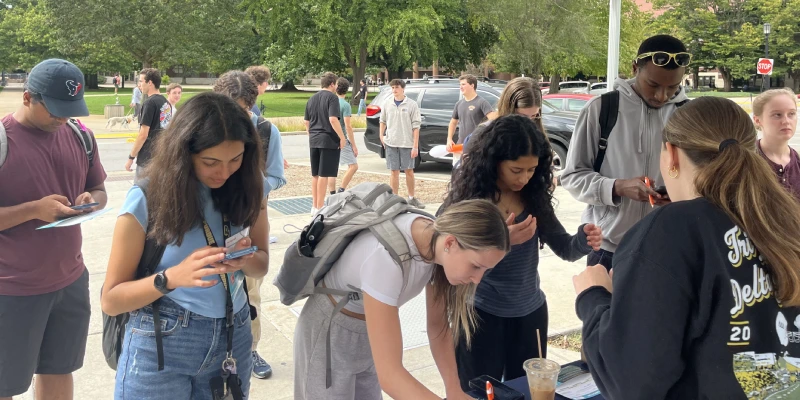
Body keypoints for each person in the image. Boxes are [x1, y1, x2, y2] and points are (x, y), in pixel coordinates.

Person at [573, 96, 800, 398]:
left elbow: (630, 380)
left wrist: (593, 296)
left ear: (671, 155)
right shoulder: (784, 218)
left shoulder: (671, 229)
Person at [102, 92, 268, 398]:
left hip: (234, 333)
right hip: (163, 338)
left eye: (236, 158)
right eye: (210, 162)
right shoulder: (147, 197)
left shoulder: (247, 184)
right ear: (184, 153)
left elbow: (263, 263)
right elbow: (111, 299)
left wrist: (245, 258)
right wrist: (171, 278)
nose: (224, 172)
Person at [441, 114, 601, 389]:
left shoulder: (533, 196)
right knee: (478, 392)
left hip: (530, 314)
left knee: (528, 391)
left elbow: (564, 248)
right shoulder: (471, 199)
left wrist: (584, 240)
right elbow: (445, 253)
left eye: (531, 170)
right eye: (516, 170)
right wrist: (502, 241)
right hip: (481, 314)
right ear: (494, 161)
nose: (524, 178)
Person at [294, 199, 510, 400]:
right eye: (476, 266)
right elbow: (390, 376)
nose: (476, 279)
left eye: (486, 270)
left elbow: (438, 327)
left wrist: (454, 390)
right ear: (451, 243)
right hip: (329, 334)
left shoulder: (437, 242)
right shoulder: (387, 259)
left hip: (369, 331)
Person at [0, 58, 108, 400]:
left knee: (60, 370)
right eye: (55, 109)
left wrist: (92, 200)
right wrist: (34, 210)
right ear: (29, 97)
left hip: (71, 279)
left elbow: (102, 192)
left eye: (71, 108)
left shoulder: (80, 135)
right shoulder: (4, 141)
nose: (63, 117)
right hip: (13, 289)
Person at [560, 34, 691, 271]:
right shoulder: (602, 109)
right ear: (634, 68)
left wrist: (679, 195)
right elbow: (572, 177)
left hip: (670, 249)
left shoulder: (689, 114)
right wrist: (616, 187)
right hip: (609, 249)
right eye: (653, 85)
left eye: (672, 88)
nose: (661, 96)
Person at [213, 69, 287, 379]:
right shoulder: (201, 129)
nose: (236, 115)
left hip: (247, 220)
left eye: (243, 108)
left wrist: (250, 185)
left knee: (249, 292)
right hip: (205, 221)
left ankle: (250, 350)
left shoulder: (266, 131)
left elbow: (276, 176)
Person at [304, 72, 347, 214]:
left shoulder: (311, 99)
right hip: (328, 139)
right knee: (324, 174)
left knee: (315, 174)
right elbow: (333, 119)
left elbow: (306, 121)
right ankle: (320, 206)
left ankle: (314, 205)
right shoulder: (332, 98)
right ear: (332, 84)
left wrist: (311, 134)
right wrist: (342, 137)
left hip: (314, 139)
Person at [380, 79, 425, 208]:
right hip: (391, 142)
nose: (394, 90)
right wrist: (381, 135)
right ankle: (394, 198)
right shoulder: (387, 104)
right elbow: (382, 120)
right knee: (394, 171)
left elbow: (416, 126)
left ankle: (411, 197)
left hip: (407, 143)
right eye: (392, 88)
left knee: (409, 171)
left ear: (403, 89)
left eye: (397, 87)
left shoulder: (411, 104)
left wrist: (415, 145)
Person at [125, 68, 173, 181]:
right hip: (161, 156)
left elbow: (143, 134)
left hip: (147, 158)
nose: (139, 84)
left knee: (141, 193)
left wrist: (131, 157)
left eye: (141, 81)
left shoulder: (149, 103)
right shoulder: (166, 103)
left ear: (150, 82)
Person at [752, 88, 799, 201]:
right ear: (758, 120)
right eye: (777, 115)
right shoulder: (746, 160)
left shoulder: (797, 160)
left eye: (791, 114)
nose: (786, 121)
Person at [446, 74, 497, 165]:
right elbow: (453, 123)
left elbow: (493, 121)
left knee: (472, 175)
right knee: (457, 174)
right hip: (460, 147)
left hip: (476, 147)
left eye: (463, 84)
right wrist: (449, 139)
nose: (461, 87)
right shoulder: (459, 104)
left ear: (472, 85)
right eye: (460, 85)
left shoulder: (482, 102)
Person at [328, 77, 358, 193]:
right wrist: (354, 145)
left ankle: (332, 193)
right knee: (353, 166)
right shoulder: (345, 105)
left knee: (332, 168)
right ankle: (342, 189)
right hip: (342, 139)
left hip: (330, 138)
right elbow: (348, 126)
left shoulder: (330, 102)